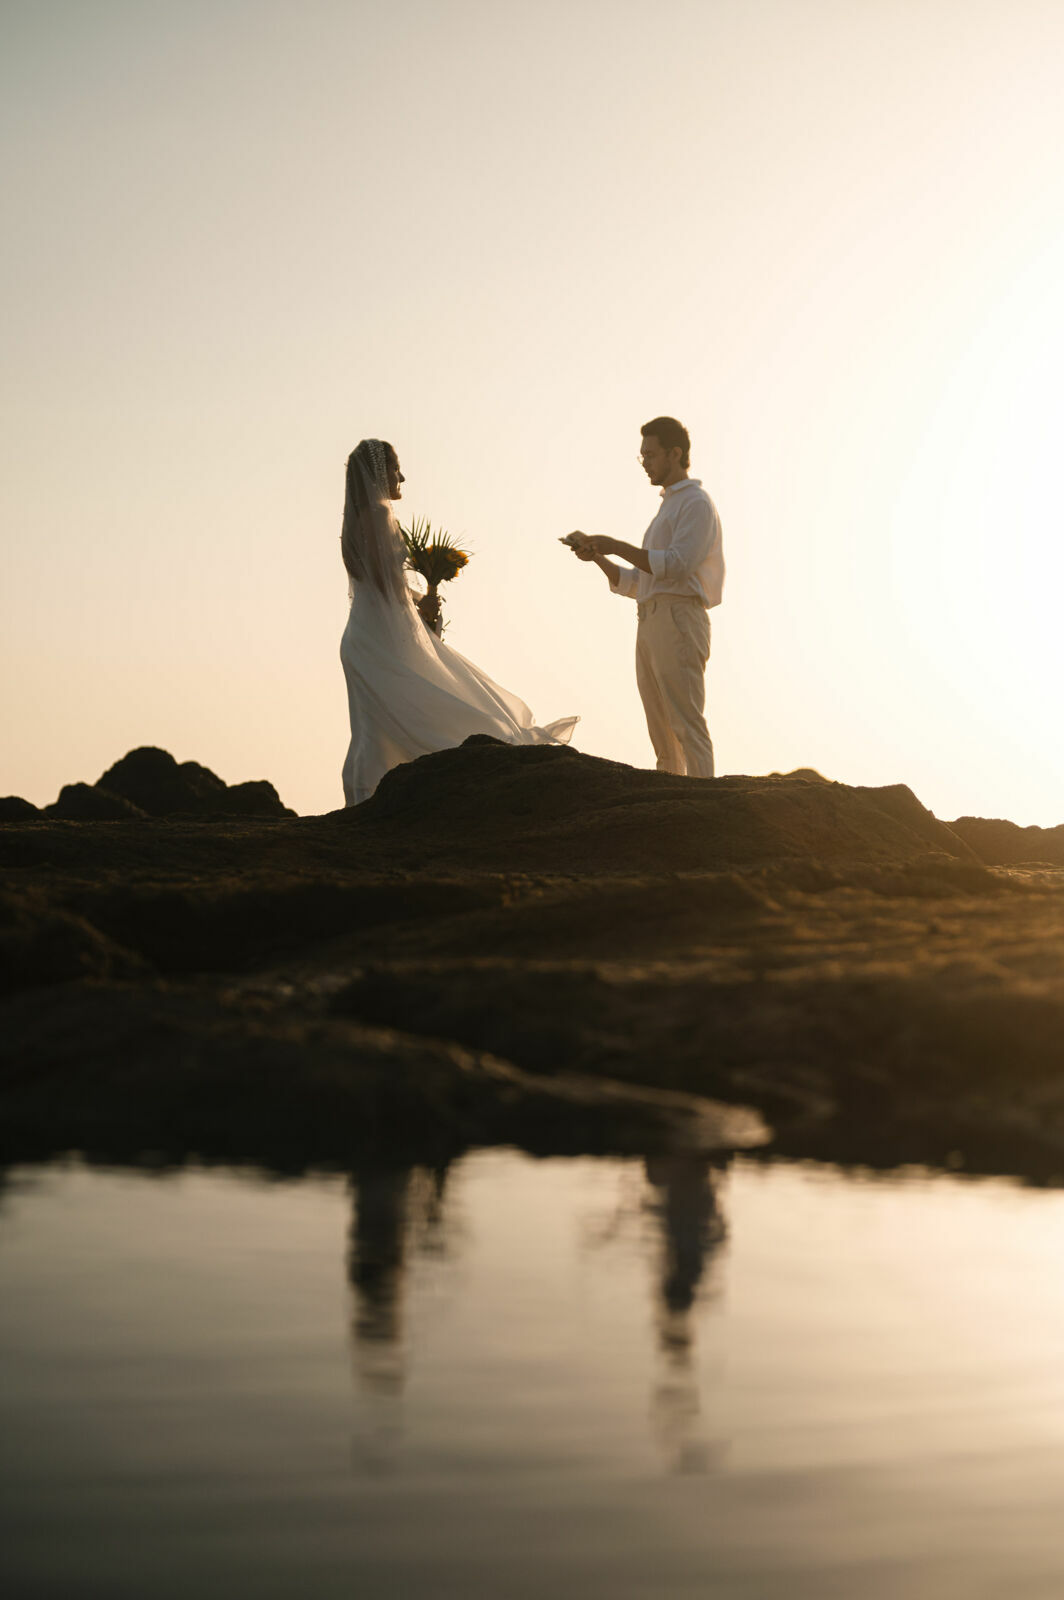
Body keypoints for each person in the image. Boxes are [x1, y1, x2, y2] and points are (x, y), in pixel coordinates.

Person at [340, 438, 577, 805]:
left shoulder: (356, 519)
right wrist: (420, 602)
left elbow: (380, 583)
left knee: (379, 721)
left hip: (365, 633)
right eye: (395, 469)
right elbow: (385, 583)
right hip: (380, 635)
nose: (401, 477)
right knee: (415, 706)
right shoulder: (378, 515)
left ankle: (366, 795)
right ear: (379, 473)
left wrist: (418, 600)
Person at [564, 417, 723, 779]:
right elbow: (641, 582)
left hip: (679, 618)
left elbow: (677, 565)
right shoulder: (668, 507)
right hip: (650, 619)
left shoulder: (696, 503)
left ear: (675, 454)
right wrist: (599, 557)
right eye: (642, 456)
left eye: (650, 455)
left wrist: (617, 546)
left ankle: (705, 799)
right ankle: (674, 801)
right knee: (661, 733)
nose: (645, 463)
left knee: (686, 724)